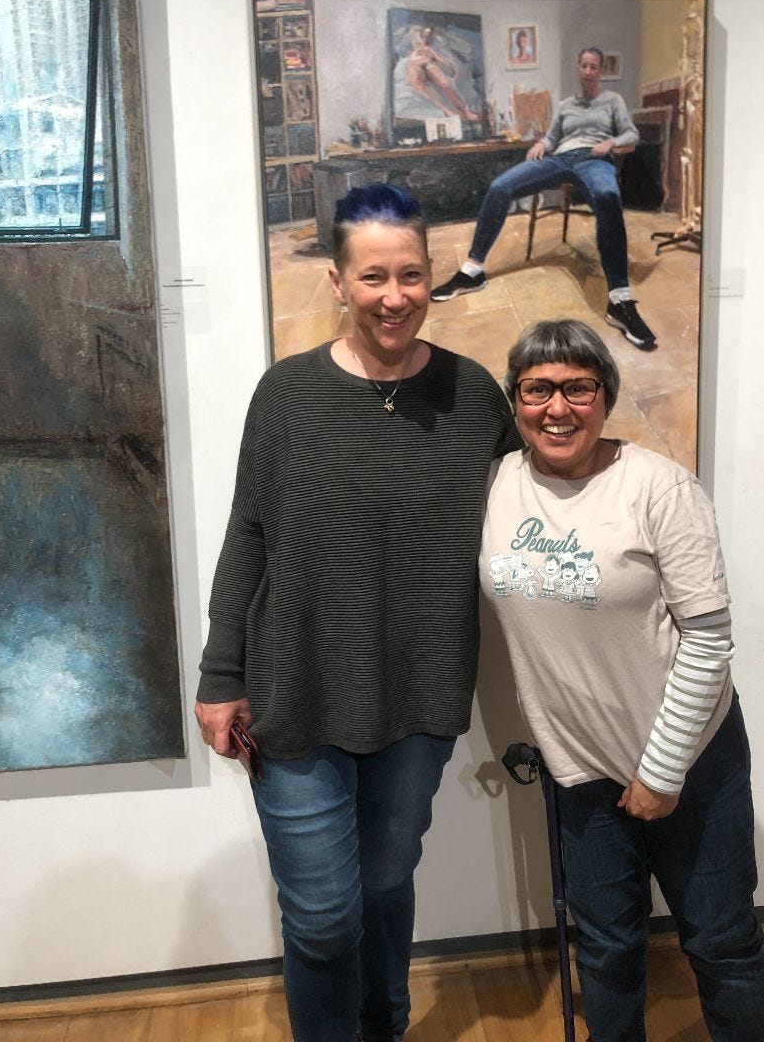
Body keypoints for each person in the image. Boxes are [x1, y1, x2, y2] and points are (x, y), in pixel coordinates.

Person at [194, 184, 518, 1042]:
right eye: (373, 277)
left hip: (419, 693)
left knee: (384, 879)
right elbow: (248, 533)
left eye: (410, 275)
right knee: (325, 914)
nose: (394, 296)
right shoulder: (287, 395)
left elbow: (539, 509)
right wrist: (220, 676)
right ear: (338, 282)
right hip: (296, 686)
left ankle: (385, 1024)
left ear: (431, 274)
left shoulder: (473, 395)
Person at [481, 318, 764, 1042]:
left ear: (606, 397)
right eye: (537, 389)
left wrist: (663, 770)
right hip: (578, 765)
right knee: (607, 947)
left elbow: (707, 641)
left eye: (579, 388)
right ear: (516, 400)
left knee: (720, 937)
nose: (558, 408)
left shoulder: (659, 488)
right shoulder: (496, 483)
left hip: (690, 758)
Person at [431, 48, 656, 351]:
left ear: (600, 71)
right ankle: (472, 271)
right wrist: (541, 143)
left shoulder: (612, 100)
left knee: (607, 195)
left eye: (594, 66)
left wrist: (610, 143)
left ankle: (619, 300)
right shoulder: (565, 105)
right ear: (578, 69)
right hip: (559, 160)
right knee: (499, 187)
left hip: (594, 159)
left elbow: (631, 134)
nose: (588, 71)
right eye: (584, 65)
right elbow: (552, 138)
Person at [404, 25, 480, 122]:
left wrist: (449, 66)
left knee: (445, 84)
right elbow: (413, 62)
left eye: (427, 36)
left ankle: (464, 111)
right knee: (419, 82)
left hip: (428, 65)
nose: (425, 39)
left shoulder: (429, 50)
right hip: (416, 68)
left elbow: (440, 60)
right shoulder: (412, 53)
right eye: (424, 36)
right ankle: (447, 110)